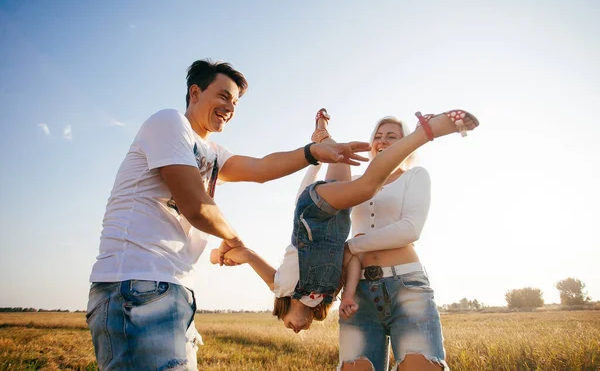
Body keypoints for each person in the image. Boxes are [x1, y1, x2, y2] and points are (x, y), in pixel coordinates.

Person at [85, 60, 371, 371]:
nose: (230, 107)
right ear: (195, 92)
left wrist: (312, 152)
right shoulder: (169, 123)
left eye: (234, 102)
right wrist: (235, 241)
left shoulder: (212, 151)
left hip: (171, 285)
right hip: (135, 282)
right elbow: (197, 207)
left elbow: (261, 168)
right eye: (223, 96)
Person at [213, 108, 478, 338]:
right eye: (379, 137)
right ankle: (321, 135)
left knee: (364, 186)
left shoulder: (280, 286)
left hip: (312, 209)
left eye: (288, 326)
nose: (295, 328)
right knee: (341, 159)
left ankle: (426, 131)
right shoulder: (327, 295)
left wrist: (223, 254)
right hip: (337, 218)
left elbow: (249, 253)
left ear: (281, 312)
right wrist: (349, 294)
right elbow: (351, 259)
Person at [337, 112, 477, 371]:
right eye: (377, 137)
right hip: (358, 292)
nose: (383, 141)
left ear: (406, 142)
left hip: (406, 286)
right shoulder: (355, 183)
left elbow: (410, 229)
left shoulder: (415, 176)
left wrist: (353, 246)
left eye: (392, 136)